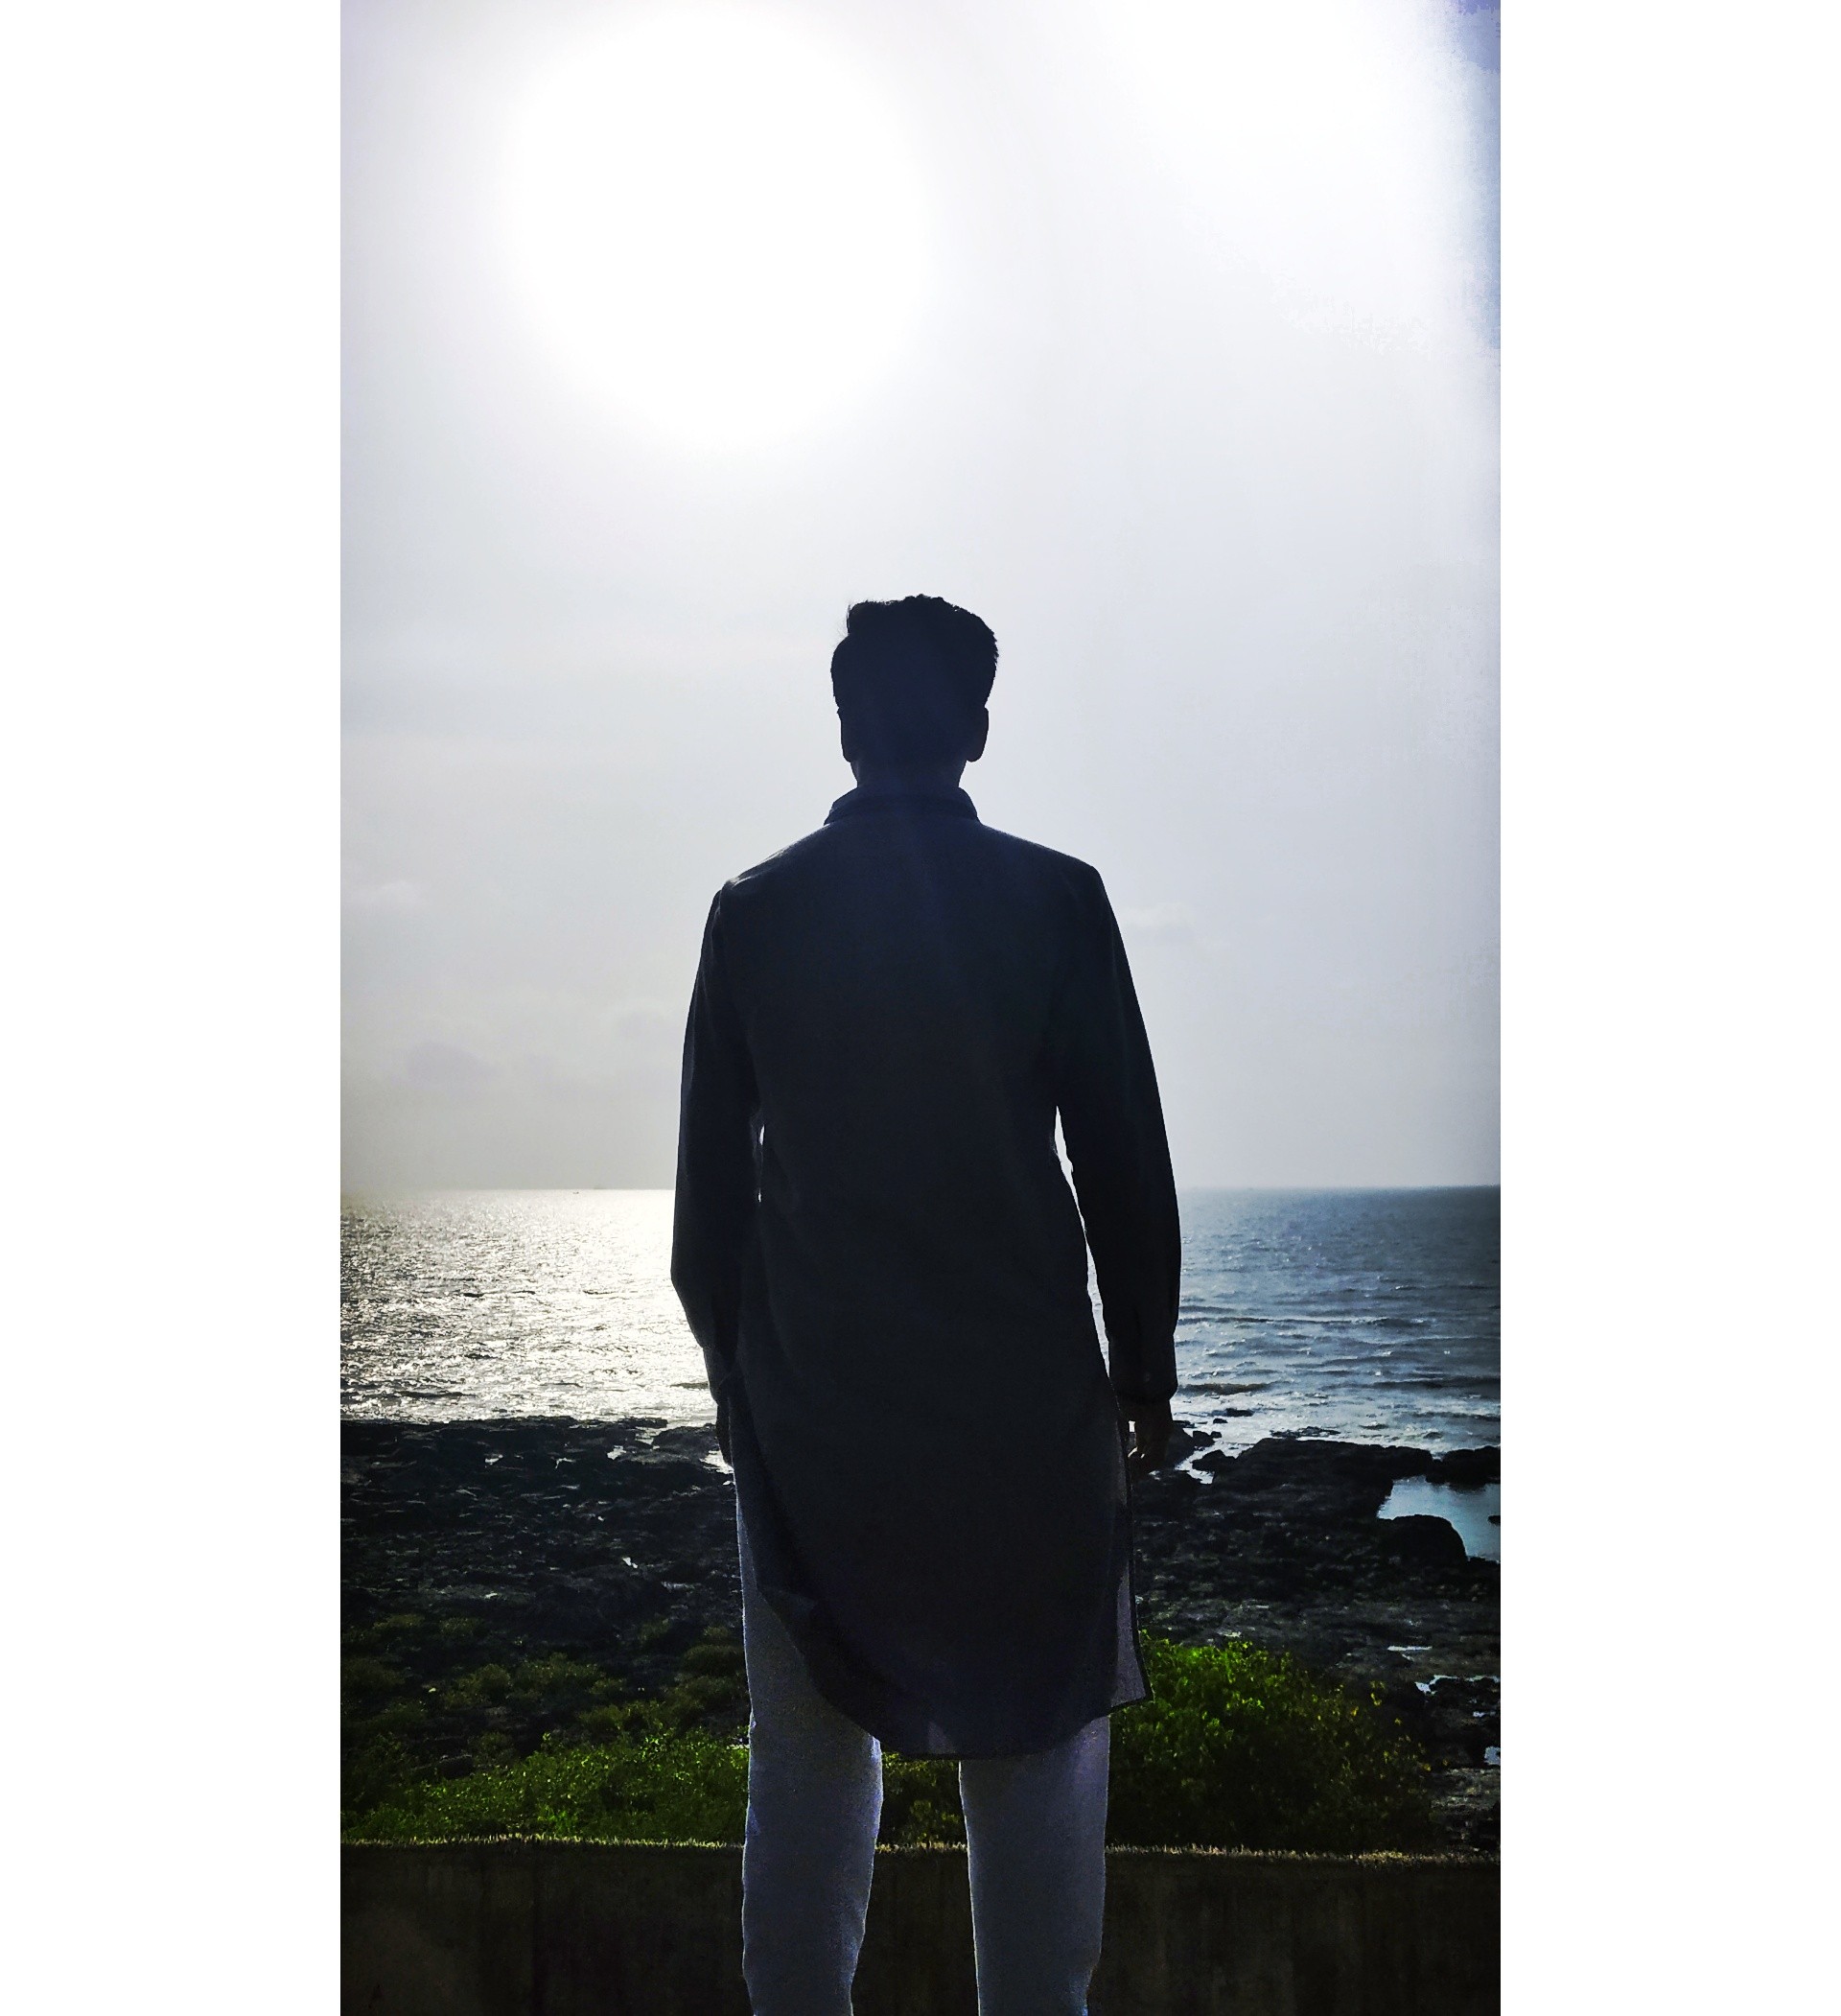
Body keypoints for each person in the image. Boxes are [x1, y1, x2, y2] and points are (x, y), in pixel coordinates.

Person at [671, 595, 1180, 2016]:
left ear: (845, 727)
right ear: (978, 727)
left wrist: (740, 1387)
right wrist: (1143, 1374)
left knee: (808, 1764)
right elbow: (1125, 1167)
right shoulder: (1056, 900)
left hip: (817, 1416)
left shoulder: (756, 913)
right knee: (1038, 1760)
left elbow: (708, 1214)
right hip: (1026, 1415)